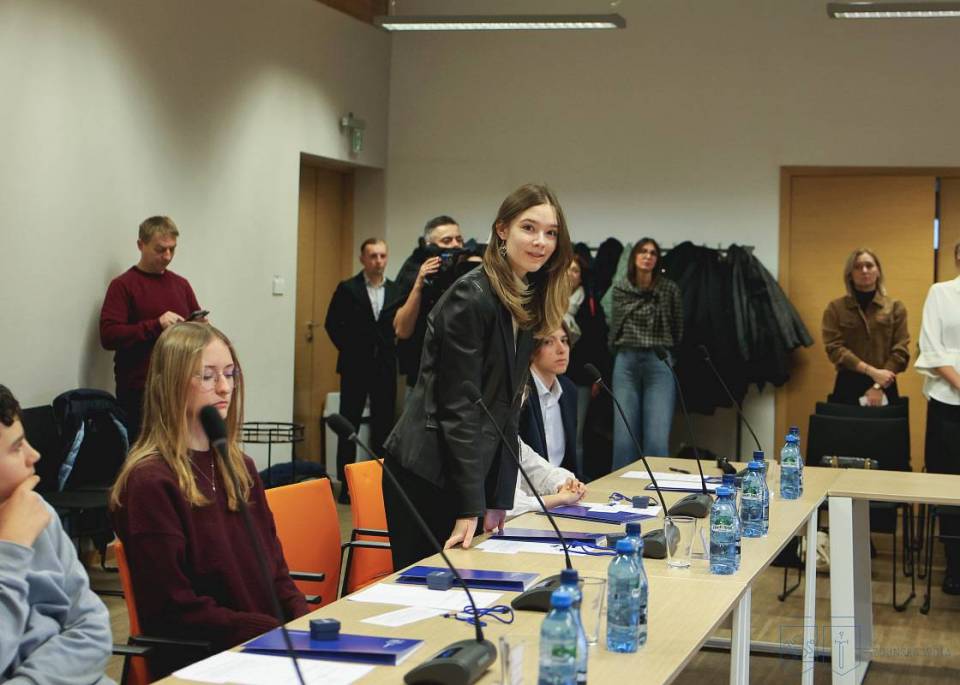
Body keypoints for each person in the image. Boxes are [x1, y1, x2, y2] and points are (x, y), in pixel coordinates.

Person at [382, 184, 573, 570]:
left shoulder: (523, 297)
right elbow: (459, 410)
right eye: (529, 228)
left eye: (550, 232)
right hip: (428, 472)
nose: (541, 241)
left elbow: (506, 411)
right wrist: (471, 505)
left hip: (466, 471)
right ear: (502, 230)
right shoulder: (470, 297)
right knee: (436, 590)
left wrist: (499, 497)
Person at [109, 323, 308, 676]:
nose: (224, 387)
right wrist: (268, 631)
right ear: (172, 383)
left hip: (265, 647)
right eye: (207, 376)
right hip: (205, 660)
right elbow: (174, 608)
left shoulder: (240, 467)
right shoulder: (150, 482)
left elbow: (275, 570)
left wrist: (303, 619)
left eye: (230, 374)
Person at [0, 384, 113, 685]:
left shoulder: (36, 511)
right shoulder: (20, 528)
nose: (34, 455)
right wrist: (10, 550)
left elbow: (92, 628)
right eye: (16, 447)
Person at [100, 216, 202, 443]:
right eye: (160, 249)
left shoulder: (181, 284)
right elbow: (109, 336)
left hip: (179, 387)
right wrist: (155, 325)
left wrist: (200, 328)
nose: (167, 256)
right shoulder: (123, 285)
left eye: (172, 249)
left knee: (182, 451)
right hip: (141, 392)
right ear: (141, 245)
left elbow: (199, 326)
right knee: (145, 454)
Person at [324, 238, 399, 503]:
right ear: (362, 259)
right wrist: (350, 348)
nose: (378, 261)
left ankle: (379, 484)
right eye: (373, 256)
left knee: (384, 426)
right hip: (355, 366)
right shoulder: (348, 289)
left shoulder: (395, 290)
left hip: (385, 367)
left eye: (382, 256)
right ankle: (346, 487)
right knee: (349, 425)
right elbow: (332, 324)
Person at [608, 238, 683, 469]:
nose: (648, 256)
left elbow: (678, 326)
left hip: (658, 360)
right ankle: (620, 487)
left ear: (657, 259)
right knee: (624, 437)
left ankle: (657, 487)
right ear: (634, 257)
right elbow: (614, 326)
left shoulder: (669, 289)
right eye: (643, 251)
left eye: (653, 253)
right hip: (626, 361)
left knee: (656, 438)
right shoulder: (621, 288)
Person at [916, 241, 960, 594]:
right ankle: (954, 564)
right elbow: (931, 349)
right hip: (948, 404)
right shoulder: (941, 293)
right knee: (950, 485)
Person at [394, 216, 481, 390]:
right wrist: (419, 285)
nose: (456, 245)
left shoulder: (466, 267)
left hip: (463, 373)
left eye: (459, 239)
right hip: (422, 375)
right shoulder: (413, 270)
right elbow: (402, 330)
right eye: (447, 241)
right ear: (429, 246)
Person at [822, 248, 909, 406]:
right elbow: (834, 348)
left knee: (884, 424)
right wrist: (872, 372)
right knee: (845, 423)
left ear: (878, 271)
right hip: (848, 384)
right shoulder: (836, 308)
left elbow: (901, 350)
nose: (864, 270)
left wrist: (878, 385)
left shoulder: (895, 307)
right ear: (850, 274)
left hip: (885, 384)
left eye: (869, 265)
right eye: (857, 267)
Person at [519, 324, 578, 476]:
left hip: (563, 484)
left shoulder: (569, 390)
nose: (561, 349)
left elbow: (570, 463)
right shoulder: (520, 393)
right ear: (532, 350)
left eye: (564, 340)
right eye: (548, 342)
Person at [506, 439, 586, 519]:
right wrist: (560, 498)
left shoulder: (511, 437)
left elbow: (538, 470)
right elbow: (505, 504)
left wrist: (564, 486)